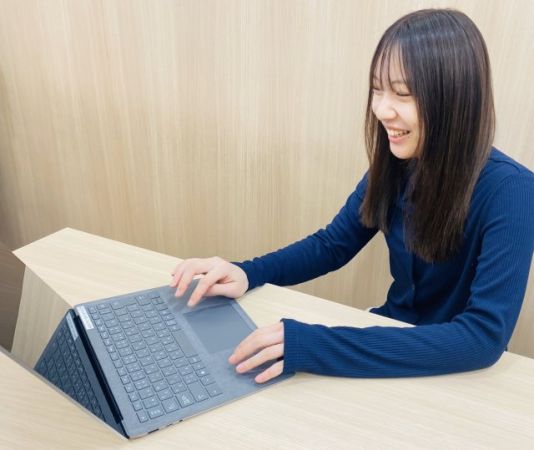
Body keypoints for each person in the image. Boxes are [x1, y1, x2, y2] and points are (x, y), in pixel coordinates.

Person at [170, 8, 534, 384]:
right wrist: (248, 272)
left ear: (455, 99)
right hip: (391, 337)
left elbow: (482, 338)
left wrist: (313, 344)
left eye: (402, 93)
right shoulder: (397, 165)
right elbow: (332, 245)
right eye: (377, 89)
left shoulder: (513, 192)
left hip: (458, 374)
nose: (381, 109)